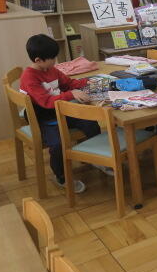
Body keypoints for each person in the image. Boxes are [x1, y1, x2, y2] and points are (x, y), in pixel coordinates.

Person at [19, 34, 107, 194]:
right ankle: (61, 176)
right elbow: (46, 101)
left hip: (60, 110)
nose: (55, 61)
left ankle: (96, 158)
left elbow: (69, 83)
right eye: (52, 58)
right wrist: (71, 94)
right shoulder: (29, 77)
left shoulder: (51, 69)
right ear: (38, 60)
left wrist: (90, 82)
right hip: (43, 117)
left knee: (90, 123)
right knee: (57, 144)